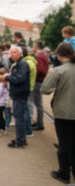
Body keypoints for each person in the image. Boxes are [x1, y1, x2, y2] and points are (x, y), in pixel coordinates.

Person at [40, 42, 75, 184]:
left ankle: (64, 173)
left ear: (59, 54)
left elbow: (45, 89)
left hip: (64, 111)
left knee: (64, 144)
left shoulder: (59, 70)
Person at [4, 46, 30, 148]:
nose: (12, 54)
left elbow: (19, 79)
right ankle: (21, 139)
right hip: (18, 93)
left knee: (19, 118)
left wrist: (7, 77)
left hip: (20, 94)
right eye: (11, 52)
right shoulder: (18, 64)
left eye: (14, 52)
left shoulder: (22, 64)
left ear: (20, 53)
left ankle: (20, 141)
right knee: (19, 118)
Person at [32, 41, 48, 131]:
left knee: (38, 103)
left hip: (38, 81)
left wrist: (33, 73)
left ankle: (40, 124)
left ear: (35, 47)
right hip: (40, 81)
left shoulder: (39, 56)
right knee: (38, 103)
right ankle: (39, 122)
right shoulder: (43, 55)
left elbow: (40, 70)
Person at [23, 47, 36, 138]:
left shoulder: (26, 63)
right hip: (30, 87)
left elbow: (22, 77)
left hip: (26, 88)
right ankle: (28, 128)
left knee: (26, 109)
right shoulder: (31, 61)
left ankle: (28, 130)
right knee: (28, 106)